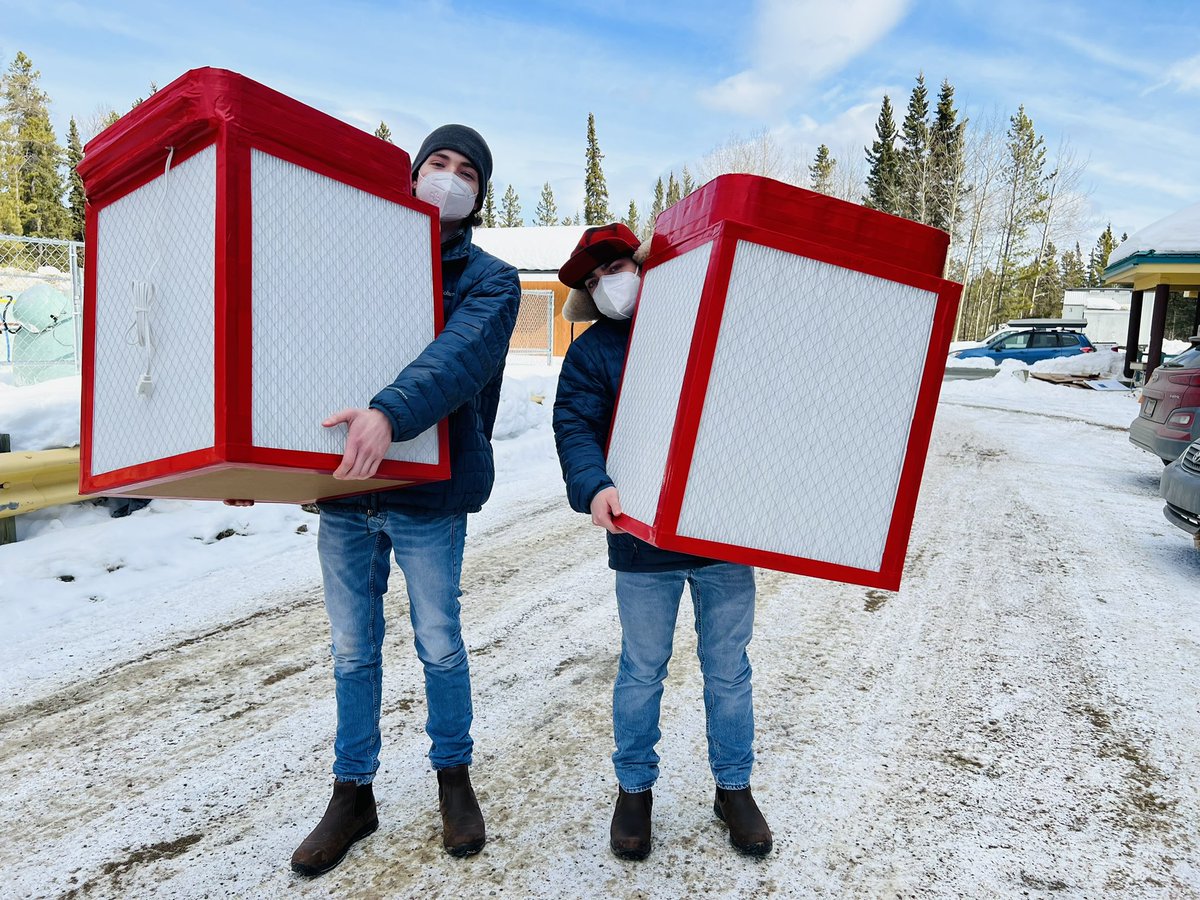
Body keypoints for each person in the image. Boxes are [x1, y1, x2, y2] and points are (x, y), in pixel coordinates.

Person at [284, 124, 520, 875]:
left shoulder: (492, 280)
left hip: (430, 497)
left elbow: (458, 358)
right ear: (414, 173)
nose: (449, 179)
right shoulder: (353, 265)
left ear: (481, 195)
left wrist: (389, 412)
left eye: (467, 173)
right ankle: (353, 794)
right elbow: (304, 354)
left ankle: (453, 777)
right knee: (352, 653)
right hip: (347, 495)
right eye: (438, 164)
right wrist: (255, 461)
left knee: (439, 643)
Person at [551, 223, 773, 861]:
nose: (607, 287)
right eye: (593, 282)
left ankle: (733, 788)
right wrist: (593, 485)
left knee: (728, 670)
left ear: (643, 265)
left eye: (614, 268)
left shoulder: (709, 320)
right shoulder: (593, 353)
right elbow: (574, 425)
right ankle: (634, 792)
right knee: (642, 671)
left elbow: (758, 403)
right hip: (641, 542)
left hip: (721, 535)